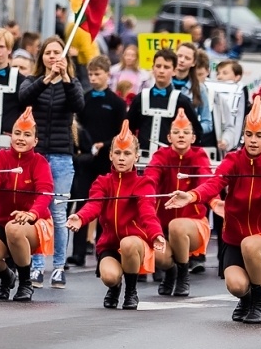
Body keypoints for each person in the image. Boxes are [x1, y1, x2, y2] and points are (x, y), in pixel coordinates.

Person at [168, 99, 261, 323]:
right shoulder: (233, 160)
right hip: (235, 237)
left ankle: (258, 304)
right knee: (236, 285)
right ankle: (245, 299)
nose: (253, 141)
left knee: (251, 244)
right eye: (248, 134)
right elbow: (214, 183)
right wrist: (192, 195)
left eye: (259, 135)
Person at [67, 122, 166, 310]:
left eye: (127, 154)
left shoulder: (143, 183)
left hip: (135, 244)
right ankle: (115, 287)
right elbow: (93, 206)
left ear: (136, 156)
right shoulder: (102, 182)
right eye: (118, 153)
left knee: (128, 243)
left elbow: (148, 213)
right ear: (110, 155)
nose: (122, 158)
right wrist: (79, 217)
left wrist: (156, 235)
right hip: (110, 245)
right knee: (109, 276)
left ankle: (131, 290)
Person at [16, 36, 85, 287]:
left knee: (58, 212)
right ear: (41, 57)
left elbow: (79, 104)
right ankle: (36, 266)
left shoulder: (72, 82)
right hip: (36, 156)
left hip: (61, 156)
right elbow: (24, 98)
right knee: (36, 211)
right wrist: (46, 78)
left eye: (58, 52)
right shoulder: (33, 81)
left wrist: (65, 77)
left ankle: (57, 266)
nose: (53, 56)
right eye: (48, 53)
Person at [0, 107, 54, 303]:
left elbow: (45, 194)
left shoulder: (40, 162)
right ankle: (6, 277)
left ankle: (25, 282)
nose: (21, 138)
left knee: (15, 228)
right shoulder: (0, 158)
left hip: (35, 224)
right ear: (10, 136)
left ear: (35, 141)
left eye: (27, 135)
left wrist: (32, 214)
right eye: (17, 133)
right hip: (3, 223)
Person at [147, 110, 212, 298]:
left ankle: (183, 276)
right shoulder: (161, 155)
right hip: (163, 227)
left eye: (185, 132)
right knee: (157, 254)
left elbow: (207, 181)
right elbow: (150, 178)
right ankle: (171, 271)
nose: (181, 135)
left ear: (193, 137)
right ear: (169, 137)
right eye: (176, 132)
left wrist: (192, 195)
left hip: (193, 226)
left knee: (177, 225)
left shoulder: (200, 155)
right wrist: (146, 196)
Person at [73, 55, 127, 268]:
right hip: (86, 160)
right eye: (91, 74)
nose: (94, 78)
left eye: (97, 74)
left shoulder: (116, 103)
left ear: (107, 74)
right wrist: (83, 147)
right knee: (81, 202)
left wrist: (105, 145)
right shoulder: (84, 99)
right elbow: (78, 127)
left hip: (107, 161)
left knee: (106, 206)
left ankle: (102, 250)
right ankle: (77, 252)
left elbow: (122, 132)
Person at [126, 48, 201, 153]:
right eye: (158, 66)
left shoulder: (182, 101)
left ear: (174, 71)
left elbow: (196, 132)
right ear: (152, 68)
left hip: (171, 161)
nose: (161, 71)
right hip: (142, 158)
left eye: (166, 67)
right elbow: (128, 128)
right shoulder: (140, 98)